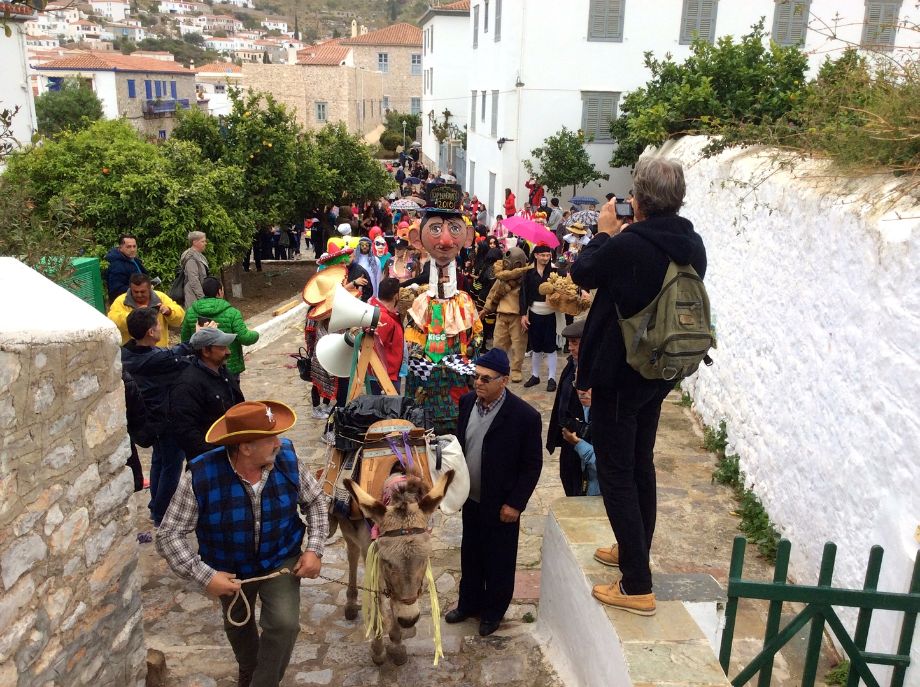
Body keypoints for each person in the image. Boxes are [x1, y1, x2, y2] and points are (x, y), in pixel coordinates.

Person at [570, 156, 707, 616]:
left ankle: (636, 585)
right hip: (660, 370)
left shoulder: (629, 245)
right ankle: (635, 550)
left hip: (620, 373)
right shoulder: (692, 244)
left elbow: (582, 272)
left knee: (615, 472)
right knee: (640, 463)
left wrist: (605, 231)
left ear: (639, 200)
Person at [156, 400, 328, 687]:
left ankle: (262, 682)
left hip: (280, 558)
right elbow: (169, 534)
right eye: (270, 438)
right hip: (228, 568)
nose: (279, 443)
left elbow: (316, 501)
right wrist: (205, 576)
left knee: (284, 624)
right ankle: (249, 667)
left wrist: (314, 549)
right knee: (238, 627)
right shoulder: (200, 476)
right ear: (245, 447)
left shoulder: (287, 459)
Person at [445, 348, 542, 636]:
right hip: (471, 498)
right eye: (476, 377)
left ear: (504, 381)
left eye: (486, 378)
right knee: (471, 553)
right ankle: (468, 603)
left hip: (502, 505)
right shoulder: (467, 403)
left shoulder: (524, 416)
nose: (478, 383)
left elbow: (532, 465)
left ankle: (493, 611)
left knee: (499, 559)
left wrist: (516, 503)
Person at [120, 307, 194, 527]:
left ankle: (155, 506)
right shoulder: (154, 359)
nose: (161, 327)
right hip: (165, 418)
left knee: (159, 461)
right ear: (151, 332)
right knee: (172, 466)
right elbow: (176, 358)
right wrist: (197, 339)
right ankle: (162, 514)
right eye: (158, 324)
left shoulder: (127, 354)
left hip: (150, 420)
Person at [169, 327, 246, 461]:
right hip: (211, 458)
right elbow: (185, 430)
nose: (228, 352)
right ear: (206, 351)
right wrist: (215, 453)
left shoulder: (223, 372)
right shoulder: (187, 385)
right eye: (222, 348)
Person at [546, 319, 599, 496]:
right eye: (569, 343)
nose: (570, 348)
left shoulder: (598, 369)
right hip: (570, 440)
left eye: (575, 343)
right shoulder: (571, 366)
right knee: (570, 482)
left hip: (589, 442)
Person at [180, 277, 260, 376]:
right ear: (219, 292)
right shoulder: (232, 313)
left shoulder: (190, 312)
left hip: (202, 366)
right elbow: (245, 338)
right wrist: (256, 334)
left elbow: (185, 340)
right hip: (229, 367)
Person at [482, 247, 530, 383]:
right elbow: (492, 294)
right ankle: (497, 368)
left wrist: (526, 314)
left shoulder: (525, 278)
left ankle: (516, 370)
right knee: (498, 343)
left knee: (518, 345)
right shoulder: (501, 278)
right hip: (501, 315)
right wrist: (486, 309)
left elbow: (528, 298)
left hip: (517, 316)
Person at [520, 244, 560, 391]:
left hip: (550, 314)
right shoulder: (528, 273)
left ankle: (552, 378)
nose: (545, 258)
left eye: (548, 255)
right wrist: (523, 314)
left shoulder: (555, 272)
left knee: (550, 346)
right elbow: (523, 294)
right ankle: (535, 375)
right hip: (534, 313)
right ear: (536, 255)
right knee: (535, 346)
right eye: (542, 255)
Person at [108, 273, 184, 347]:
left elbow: (180, 319)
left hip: (159, 350)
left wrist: (169, 312)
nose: (139, 295)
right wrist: (135, 315)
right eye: (136, 292)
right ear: (130, 289)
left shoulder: (161, 297)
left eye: (143, 291)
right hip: (132, 351)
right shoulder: (121, 301)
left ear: (150, 288)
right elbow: (112, 321)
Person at [368, 277, 404, 394]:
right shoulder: (384, 317)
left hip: (385, 373)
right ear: (396, 296)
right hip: (384, 376)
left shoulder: (381, 312)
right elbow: (376, 348)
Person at [105, 234, 147, 301]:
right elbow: (116, 290)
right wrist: (140, 288)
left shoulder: (132, 258)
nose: (132, 249)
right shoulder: (116, 266)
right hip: (126, 302)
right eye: (129, 247)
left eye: (134, 246)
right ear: (120, 247)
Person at [181, 231, 210, 308]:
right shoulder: (190, 257)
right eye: (202, 241)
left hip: (199, 296)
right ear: (195, 242)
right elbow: (194, 280)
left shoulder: (199, 255)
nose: (205, 243)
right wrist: (202, 298)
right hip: (194, 298)